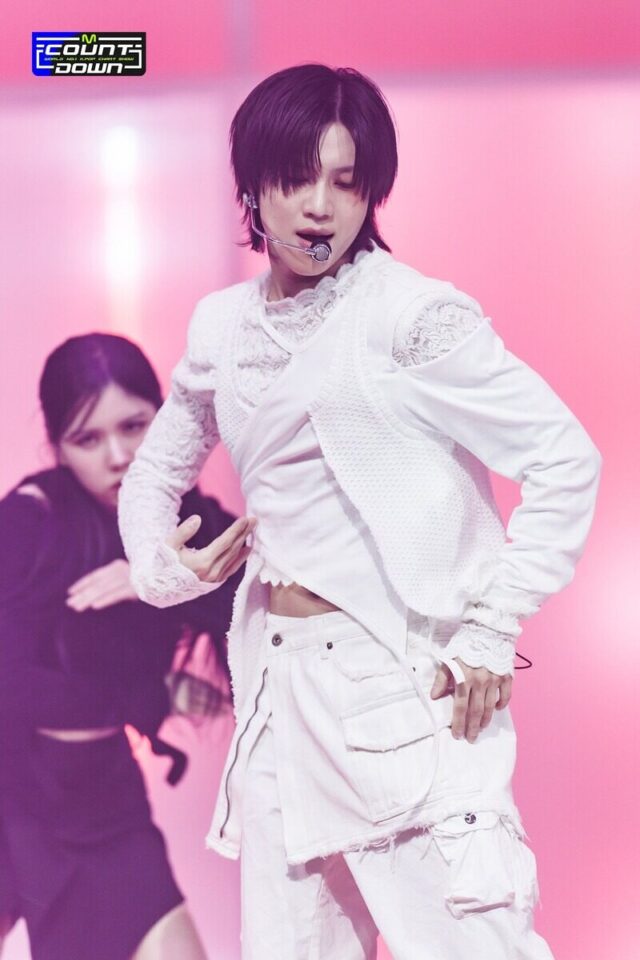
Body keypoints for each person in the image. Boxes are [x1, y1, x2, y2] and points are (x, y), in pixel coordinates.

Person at [118, 64, 602, 959]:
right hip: (277, 697)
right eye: (295, 178)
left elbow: (564, 458)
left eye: (346, 182)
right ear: (251, 186)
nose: (320, 208)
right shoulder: (222, 325)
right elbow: (155, 472)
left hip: (401, 689)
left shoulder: (409, 315)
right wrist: (160, 568)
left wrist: (493, 628)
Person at [0, 333, 245, 960]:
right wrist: (153, 693)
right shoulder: (30, 520)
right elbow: (12, 687)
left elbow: (258, 615)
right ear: (57, 446)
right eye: (87, 439)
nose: (118, 457)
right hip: (11, 800)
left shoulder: (193, 520)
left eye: (134, 426)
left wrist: (157, 581)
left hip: (106, 802)